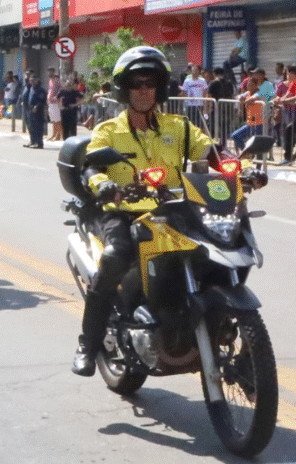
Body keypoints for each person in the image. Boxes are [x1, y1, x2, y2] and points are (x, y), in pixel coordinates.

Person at [72, 47, 264, 377]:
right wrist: (102, 184)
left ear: (160, 88)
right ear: (124, 89)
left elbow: (218, 156)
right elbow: (91, 168)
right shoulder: (108, 131)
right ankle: (87, 345)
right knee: (117, 256)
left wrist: (245, 169)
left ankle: (227, 338)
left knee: (220, 250)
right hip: (122, 210)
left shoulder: (181, 127)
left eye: (150, 82)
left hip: (173, 211)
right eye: (136, 83)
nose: (144, 89)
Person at [23, 76, 47, 148]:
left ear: (37, 81)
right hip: (30, 110)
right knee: (31, 127)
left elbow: (42, 100)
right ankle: (32, 141)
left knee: (38, 127)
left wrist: (37, 106)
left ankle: (39, 143)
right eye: (30, 81)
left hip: (38, 111)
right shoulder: (30, 88)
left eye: (33, 80)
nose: (32, 82)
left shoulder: (40, 90)